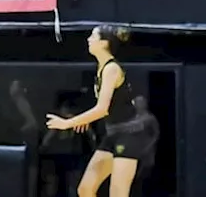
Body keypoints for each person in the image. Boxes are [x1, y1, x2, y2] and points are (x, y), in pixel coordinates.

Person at [44, 25, 151, 197]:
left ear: (104, 43)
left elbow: (102, 109)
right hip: (113, 134)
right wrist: (85, 119)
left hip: (130, 135)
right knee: (85, 189)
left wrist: (66, 123)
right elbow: (108, 107)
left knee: (118, 194)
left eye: (93, 36)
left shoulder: (111, 69)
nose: (88, 39)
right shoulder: (102, 69)